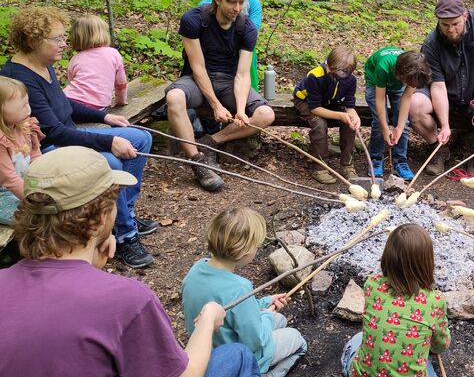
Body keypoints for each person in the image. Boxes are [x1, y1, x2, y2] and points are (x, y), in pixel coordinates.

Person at [0, 146, 262, 377]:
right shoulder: (126, 300)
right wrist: (207, 322)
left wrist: (90, 265)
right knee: (238, 354)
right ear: (102, 217)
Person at [0, 7, 156, 268]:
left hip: (69, 135)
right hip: (51, 147)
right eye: (57, 39)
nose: (65, 44)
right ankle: (126, 234)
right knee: (111, 163)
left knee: (141, 138)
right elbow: (54, 132)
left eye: (64, 37)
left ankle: (123, 215)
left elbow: (65, 105)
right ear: (33, 41)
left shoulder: (43, 65)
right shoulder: (18, 77)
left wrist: (104, 117)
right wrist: (109, 141)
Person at [165, 0, 276, 192]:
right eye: (232, 2)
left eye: (241, 2)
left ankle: (210, 142)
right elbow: (198, 67)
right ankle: (197, 161)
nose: (237, 8)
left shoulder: (247, 28)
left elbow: (243, 74)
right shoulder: (194, 20)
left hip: (228, 81)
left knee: (266, 115)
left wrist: (242, 110)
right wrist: (216, 105)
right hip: (196, 79)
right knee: (174, 97)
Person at [182, 207, 307, 376]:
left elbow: (233, 307)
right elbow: (255, 341)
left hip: (203, 350)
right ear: (246, 250)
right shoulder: (240, 287)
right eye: (257, 245)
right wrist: (267, 314)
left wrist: (265, 302)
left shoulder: (196, 269)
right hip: (236, 359)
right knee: (297, 339)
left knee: (281, 320)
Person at [409, 0, 474, 176]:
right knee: (414, 105)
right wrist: (445, 126)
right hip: (446, 95)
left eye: (455, 24)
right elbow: (438, 87)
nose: (451, 30)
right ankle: (438, 148)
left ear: (465, 16)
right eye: (445, 25)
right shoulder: (432, 43)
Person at [341, 223, 451, 377]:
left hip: (361, 374)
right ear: (427, 262)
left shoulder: (372, 284)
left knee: (356, 339)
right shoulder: (435, 300)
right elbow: (441, 345)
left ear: (388, 256)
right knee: (426, 362)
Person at [293, 46, 361, 184]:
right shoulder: (315, 76)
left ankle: (347, 165)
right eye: (333, 72)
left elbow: (349, 105)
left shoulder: (351, 80)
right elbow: (315, 108)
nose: (338, 76)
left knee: (350, 123)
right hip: (306, 101)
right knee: (319, 124)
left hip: (330, 101)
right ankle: (319, 167)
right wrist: (340, 116)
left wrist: (354, 117)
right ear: (328, 65)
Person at [364, 48, 431, 181]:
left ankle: (400, 161)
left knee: (404, 122)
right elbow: (380, 99)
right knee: (379, 120)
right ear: (400, 74)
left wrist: (399, 127)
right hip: (375, 82)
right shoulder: (383, 67)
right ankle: (376, 160)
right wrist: (385, 128)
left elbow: (406, 98)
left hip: (398, 82)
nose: (412, 85)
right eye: (410, 83)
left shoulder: (415, 71)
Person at [199, 0, 263, 91]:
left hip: (241, 40)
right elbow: (201, 10)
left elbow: (253, 27)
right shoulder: (215, 0)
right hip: (218, 39)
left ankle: (251, 92)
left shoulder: (254, 3)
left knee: (247, 66)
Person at [0, 76, 43, 224]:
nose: (29, 108)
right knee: (36, 220)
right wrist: (36, 201)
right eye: (22, 106)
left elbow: (35, 153)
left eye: (27, 103)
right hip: (4, 195)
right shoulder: (1, 141)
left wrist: (41, 178)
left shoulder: (24, 126)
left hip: (25, 184)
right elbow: (9, 179)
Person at [63, 14, 129, 110]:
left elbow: (71, 82)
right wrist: (121, 100)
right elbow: (121, 83)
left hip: (68, 102)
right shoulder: (113, 54)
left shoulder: (76, 58)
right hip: (97, 106)